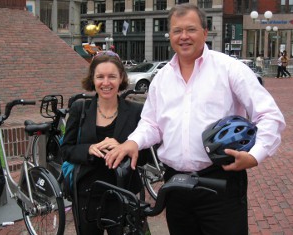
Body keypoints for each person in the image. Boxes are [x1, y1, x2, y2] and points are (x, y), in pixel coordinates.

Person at [104, 3, 286, 235]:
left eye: (190, 29)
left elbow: (269, 114)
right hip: (176, 185)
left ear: (205, 33)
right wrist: (133, 142)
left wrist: (255, 155)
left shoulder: (229, 69)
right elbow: (151, 123)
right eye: (177, 31)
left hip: (221, 181)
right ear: (169, 35)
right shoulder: (162, 79)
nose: (184, 36)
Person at [61, 51, 145, 235]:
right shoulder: (80, 108)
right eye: (100, 76)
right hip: (87, 195)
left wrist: (125, 147)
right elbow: (66, 150)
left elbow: (146, 155)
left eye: (112, 76)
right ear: (93, 78)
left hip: (123, 193)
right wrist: (88, 149)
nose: (106, 83)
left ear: (121, 77)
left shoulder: (136, 111)